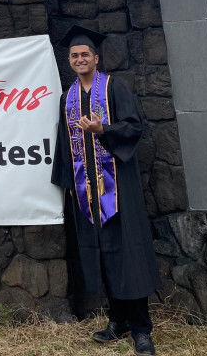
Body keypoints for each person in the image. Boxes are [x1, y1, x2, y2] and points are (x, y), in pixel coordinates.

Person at [52, 25, 162, 356]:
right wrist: (71, 183)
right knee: (104, 252)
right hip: (87, 192)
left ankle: (141, 327)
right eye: (74, 55)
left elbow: (134, 127)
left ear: (96, 59)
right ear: (69, 61)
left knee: (127, 250)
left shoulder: (115, 89)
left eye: (85, 54)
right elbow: (64, 144)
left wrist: (104, 129)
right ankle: (118, 320)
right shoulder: (68, 99)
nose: (80, 59)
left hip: (119, 187)